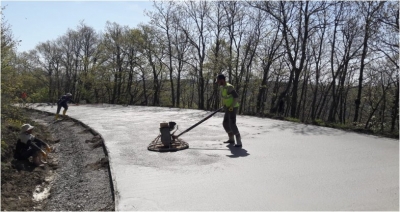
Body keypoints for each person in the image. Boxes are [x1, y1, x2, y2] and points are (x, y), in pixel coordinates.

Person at [215, 74, 242, 147]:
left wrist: (232, 106)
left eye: (218, 80)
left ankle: (239, 141)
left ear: (222, 80)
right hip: (227, 107)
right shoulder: (223, 87)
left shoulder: (229, 87)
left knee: (232, 123)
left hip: (233, 107)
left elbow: (236, 97)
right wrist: (224, 105)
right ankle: (231, 139)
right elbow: (226, 97)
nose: (217, 82)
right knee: (225, 123)